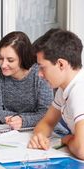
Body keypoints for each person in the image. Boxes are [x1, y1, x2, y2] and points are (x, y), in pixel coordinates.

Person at [28, 30, 84, 160]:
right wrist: (39, 136)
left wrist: (68, 140)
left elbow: (82, 149)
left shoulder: (80, 90)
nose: (39, 74)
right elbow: (47, 122)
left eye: (42, 67)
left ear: (61, 64)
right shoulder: (64, 88)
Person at [0, 31, 54, 130]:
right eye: (1, 58)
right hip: (8, 130)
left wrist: (23, 120)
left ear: (23, 58)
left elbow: (47, 113)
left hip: (43, 130)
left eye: (10, 60)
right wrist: (17, 120)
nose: (3, 65)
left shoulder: (40, 73)